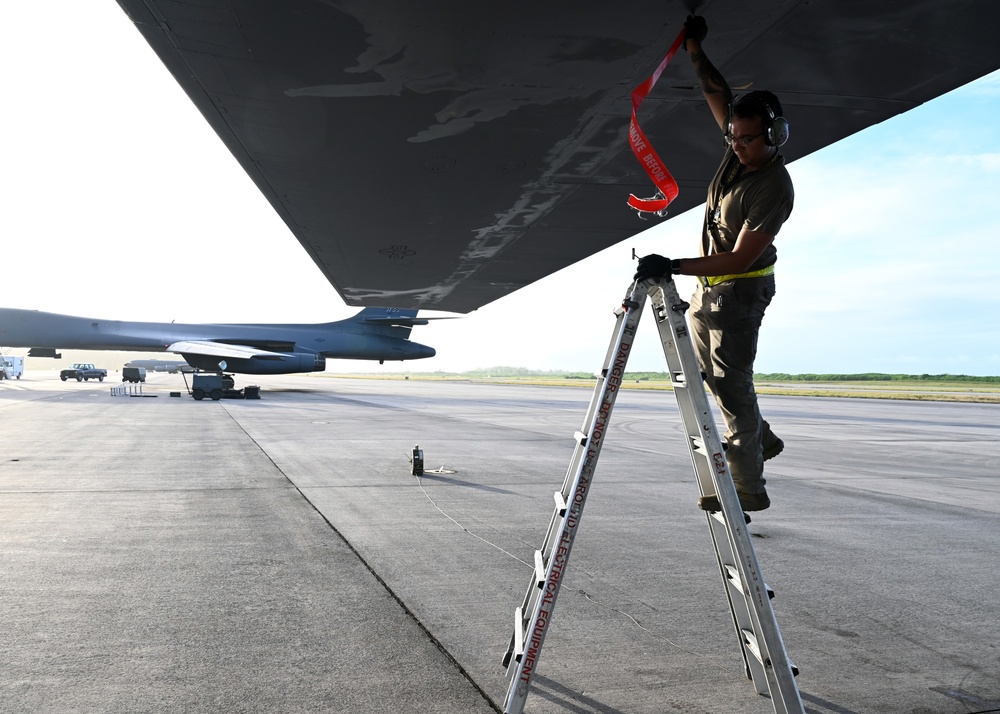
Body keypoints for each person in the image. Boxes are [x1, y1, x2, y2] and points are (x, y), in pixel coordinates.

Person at [633, 15, 794, 513]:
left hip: (740, 291)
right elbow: (716, 91)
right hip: (714, 285)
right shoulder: (738, 152)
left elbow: (742, 256)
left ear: (775, 136)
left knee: (732, 384)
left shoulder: (772, 187)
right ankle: (761, 440)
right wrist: (695, 48)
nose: (737, 146)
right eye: (733, 137)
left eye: (747, 140)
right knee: (709, 376)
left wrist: (674, 264)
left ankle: (749, 485)